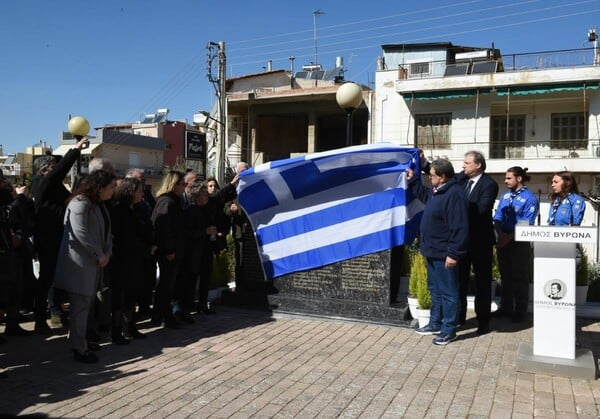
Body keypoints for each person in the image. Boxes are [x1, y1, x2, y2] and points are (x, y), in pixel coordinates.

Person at [53, 170, 116, 363]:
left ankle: (82, 341)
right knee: (80, 308)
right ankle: (79, 348)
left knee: (85, 307)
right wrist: (99, 254)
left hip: (94, 263)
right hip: (80, 264)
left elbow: (107, 232)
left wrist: (107, 252)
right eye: (111, 187)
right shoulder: (80, 203)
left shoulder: (98, 204)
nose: (113, 191)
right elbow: (80, 233)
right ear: (100, 187)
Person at [407, 158, 469, 345]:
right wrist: (413, 180)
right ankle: (435, 323)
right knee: (435, 290)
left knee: (449, 292)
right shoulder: (438, 191)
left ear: (442, 177)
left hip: (444, 254)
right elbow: (424, 194)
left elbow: (460, 227)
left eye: (432, 175)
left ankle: (449, 330)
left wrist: (453, 253)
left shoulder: (454, 194)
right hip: (431, 251)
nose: (429, 178)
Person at [32, 137, 88, 334]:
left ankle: (59, 313)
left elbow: (67, 200)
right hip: (46, 237)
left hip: (59, 236)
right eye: (52, 166)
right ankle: (40, 320)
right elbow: (59, 172)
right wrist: (75, 150)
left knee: (59, 277)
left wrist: (84, 190)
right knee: (46, 279)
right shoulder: (40, 183)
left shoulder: (54, 186)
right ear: (45, 169)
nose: (56, 169)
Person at [456, 151, 498, 335]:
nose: (463, 166)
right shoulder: (462, 181)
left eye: (467, 163)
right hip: (462, 241)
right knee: (459, 281)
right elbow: (446, 179)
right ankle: (459, 317)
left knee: (482, 283)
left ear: (478, 165)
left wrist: (456, 209)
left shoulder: (489, 184)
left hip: (481, 242)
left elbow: (481, 209)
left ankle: (483, 321)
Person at [493, 166, 539, 323]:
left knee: (520, 277)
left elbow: (526, 223)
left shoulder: (530, 198)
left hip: (519, 243)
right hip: (503, 240)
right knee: (505, 276)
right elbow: (497, 217)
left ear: (519, 178)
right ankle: (505, 307)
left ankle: (520, 311)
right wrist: (500, 234)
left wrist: (508, 238)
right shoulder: (505, 197)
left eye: (508, 178)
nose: (505, 181)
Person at [109, 177, 150, 342]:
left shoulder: (136, 208)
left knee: (132, 294)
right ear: (130, 192)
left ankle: (130, 326)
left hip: (135, 259)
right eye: (139, 190)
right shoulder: (120, 210)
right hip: (122, 259)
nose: (142, 193)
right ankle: (117, 330)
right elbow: (126, 237)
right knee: (120, 296)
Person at [175, 181, 217, 321]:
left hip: (206, 249)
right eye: (204, 194)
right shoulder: (190, 211)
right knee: (190, 282)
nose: (206, 196)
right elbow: (188, 233)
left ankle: (202, 305)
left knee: (206, 278)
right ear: (197, 196)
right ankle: (186, 309)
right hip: (194, 253)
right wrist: (204, 231)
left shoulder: (207, 209)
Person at [151, 170, 186, 328]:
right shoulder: (167, 201)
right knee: (166, 285)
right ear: (174, 184)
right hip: (168, 252)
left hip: (173, 250)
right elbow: (162, 227)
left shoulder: (174, 200)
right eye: (182, 183)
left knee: (166, 285)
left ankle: (158, 316)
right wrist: (169, 250)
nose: (184, 186)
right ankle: (166, 317)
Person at [125, 168, 156, 318]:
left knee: (148, 281)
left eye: (143, 181)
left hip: (149, 247)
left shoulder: (148, 196)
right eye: (139, 181)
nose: (142, 184)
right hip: (136, 249)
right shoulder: (126, 204)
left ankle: (145, 307)